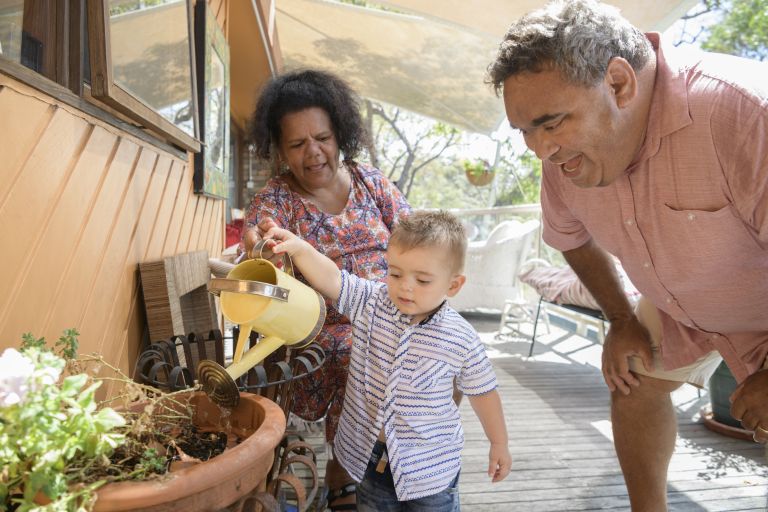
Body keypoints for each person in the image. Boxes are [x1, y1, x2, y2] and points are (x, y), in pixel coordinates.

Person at [487, 1, 768, 510]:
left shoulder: (744, 113)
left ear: (618, 84)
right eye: (525, 131)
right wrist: (620, 317)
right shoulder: (564, 158)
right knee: (632, 377)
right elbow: (570, 236)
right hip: (676, 303)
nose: (538, 150)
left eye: (549, 123)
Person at [241, 68, 411, 510]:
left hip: (392, 316)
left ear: (340, 134)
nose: (313, 152)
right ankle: (354, 469)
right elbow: (261, 260)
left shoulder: (372, 183)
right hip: (317, 334)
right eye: (297, 144)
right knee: (368, 351)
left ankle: (400, 466)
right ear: (279, 149)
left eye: (322, 137)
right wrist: (264, 250)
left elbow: (417, 241)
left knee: (444, 347)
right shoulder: (275, 203)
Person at [263, 210, 512, 511]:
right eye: (395, 273)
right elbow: (332, 278)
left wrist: (499, 443)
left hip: (430, 470)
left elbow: (483, 392)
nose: (405, 286)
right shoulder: (371, 303)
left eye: (422, 280)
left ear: (453, 285)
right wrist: (300, 247)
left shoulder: (461, 338)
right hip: (370, 460)